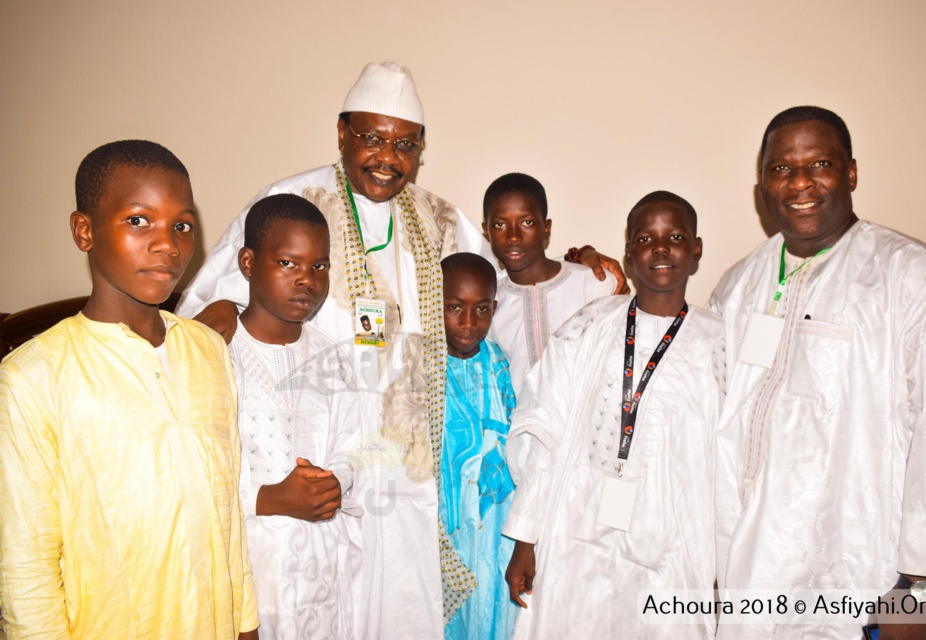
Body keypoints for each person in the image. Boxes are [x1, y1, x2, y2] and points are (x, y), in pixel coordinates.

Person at [175, 62, 625, 638]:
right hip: (314, 466)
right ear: (342, 133)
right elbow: (219, 302)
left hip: (414, 467)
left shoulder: (441, 220)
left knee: (406, 609)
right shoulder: (293, 199)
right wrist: (213, 314)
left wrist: (581, 264)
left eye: (404, 144)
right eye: (372, 138)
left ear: (419, 151)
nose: (388, 156)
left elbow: (502, 284)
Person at [709, 106, 926, 639]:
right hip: (754, 574)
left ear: (850, 172)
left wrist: (917, 592)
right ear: (762, 185)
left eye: (819, 163)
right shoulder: (738, 286)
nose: (800, 182)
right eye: (781, 168)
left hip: (868, 574)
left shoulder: (910, 276)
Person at [0, 140, 259, 638]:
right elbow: (25, 567)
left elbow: (226, 512)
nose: (168, 244)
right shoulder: (34, 376)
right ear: (84, 230)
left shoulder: (208, 351)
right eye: (139, 220)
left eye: (181, 225)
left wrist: (245, 623)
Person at [503, 192, 722, 639]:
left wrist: (727, 562)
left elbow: (733, 466)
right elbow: (544, 427)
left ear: (696, 250)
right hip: (576, 531)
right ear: (628, 251)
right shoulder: (590, 325)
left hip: (673, 547)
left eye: (675, 237)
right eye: (646, 237)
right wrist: (526, 537)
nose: (661, 249)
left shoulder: (720, 343)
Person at [229, 194, 361, 639]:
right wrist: (267, 499)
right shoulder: (218, 354)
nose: (306, 280)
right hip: (250, 570)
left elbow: (354, 441)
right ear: (249, 262)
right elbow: (192, 470)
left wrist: (338, 482)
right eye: (288, 263)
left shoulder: (331, 355)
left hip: (325, 569)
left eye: (318, 266)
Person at [439, 252, 517, 640]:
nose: (468, 323)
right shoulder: (419, 368)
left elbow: (516, 442)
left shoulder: (499, 364)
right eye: (453, 307)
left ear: (494, 308)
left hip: (492, 530)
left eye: (481, 309)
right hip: (438, 531)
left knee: (488, 616)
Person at [483, 172, 616, 394]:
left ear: (546, 227)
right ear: (486, 232)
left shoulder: (597, 284)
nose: (513, 236)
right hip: (519, 426)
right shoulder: (488, 302)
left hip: (585, 424)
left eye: (526, 222)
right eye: (499, 225)